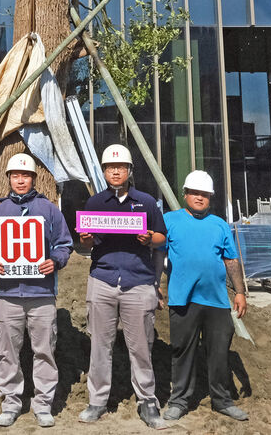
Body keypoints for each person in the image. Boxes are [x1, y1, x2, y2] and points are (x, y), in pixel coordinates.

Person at [76, 144, 167, 428]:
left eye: (121, 167)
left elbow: (162, 238)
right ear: (104, 171)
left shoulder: (146, 202)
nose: (115, 172)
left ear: (129, 171)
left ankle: (147, 401)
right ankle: (97, 401)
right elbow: (87, 242)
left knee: (141, 347)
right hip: (102, 279)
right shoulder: (94, 203)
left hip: (138, 281)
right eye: (110, 167)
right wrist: (86, 240)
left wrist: (149, 238)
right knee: (100, 345)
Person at [0, 153, 73, 428]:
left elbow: (64, 244)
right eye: (15, 176)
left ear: (33, 179)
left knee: (44, 351)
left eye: (25, 175)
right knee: (7, 352)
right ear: (9, 179)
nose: (20, 180)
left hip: (41, 294)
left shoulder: (49, 210)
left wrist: (54, 261)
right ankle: (11, 403)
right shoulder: (0, 211)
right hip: (8, 294)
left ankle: (43, 404)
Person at [162, 170, 249, 423]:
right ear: (185, 194)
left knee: (219, 353)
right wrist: (155, 284)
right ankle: (179, 401)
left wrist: (240, 292)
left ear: (210, 197)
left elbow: (231, 260)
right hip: (183, 299)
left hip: (216, 301)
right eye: (195, 193)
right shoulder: (169, 220)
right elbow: (157, 253)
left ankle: (222, 401)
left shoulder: (220, 225)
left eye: (205, 194)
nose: (199, 197)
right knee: (182, 352)